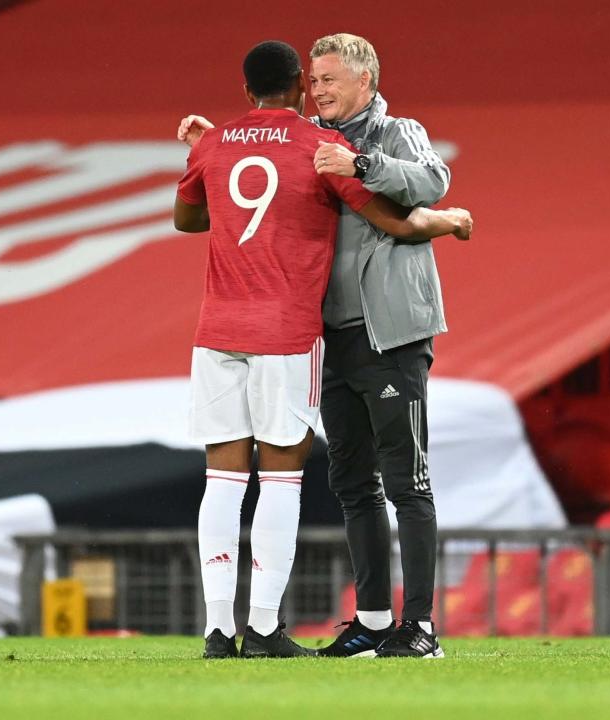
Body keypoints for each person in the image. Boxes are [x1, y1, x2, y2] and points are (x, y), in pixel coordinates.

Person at [174, 40, 471, 660]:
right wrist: (218, 141)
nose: (321, 89)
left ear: (367, 80)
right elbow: (389, 217)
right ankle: (362, 622)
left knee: (404, 481)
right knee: (347, 483)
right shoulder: (307, 141)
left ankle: (418, 626)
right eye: (314, 80)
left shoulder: (395, 132)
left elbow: (430, 180)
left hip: (386, 332)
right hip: (315, 334)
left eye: (332, 79)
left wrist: (359, 164)